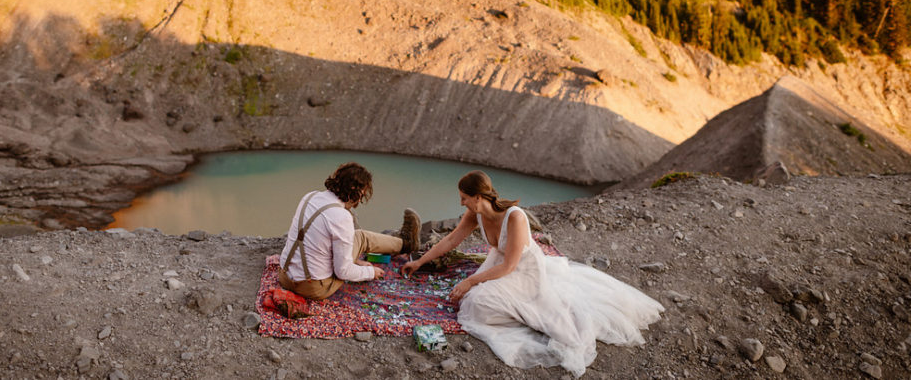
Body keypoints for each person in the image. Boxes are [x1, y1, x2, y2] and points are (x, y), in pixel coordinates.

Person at [401, 170, 664, 376]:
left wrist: (470, 281)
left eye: (464, 197)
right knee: (470, 304)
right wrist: (421, 262)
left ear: (478, 197)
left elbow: (509, 267)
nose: (461, 202)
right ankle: (511, 308)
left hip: (524, 270)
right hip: (499, 262)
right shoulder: (473, 214)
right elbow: (450, 241)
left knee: (477, 303)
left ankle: (528, 315)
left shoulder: (514, 217)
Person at [279, 161, 421, 301]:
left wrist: (356, 262)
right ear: (357, 192)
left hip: (285, 276)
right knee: (361, 237)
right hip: (312, 288)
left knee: (345, 239)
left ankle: (402, 241)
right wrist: (370, 272)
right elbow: (343, 272)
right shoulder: (341, 216)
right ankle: (406, 242)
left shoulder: (310, 196)